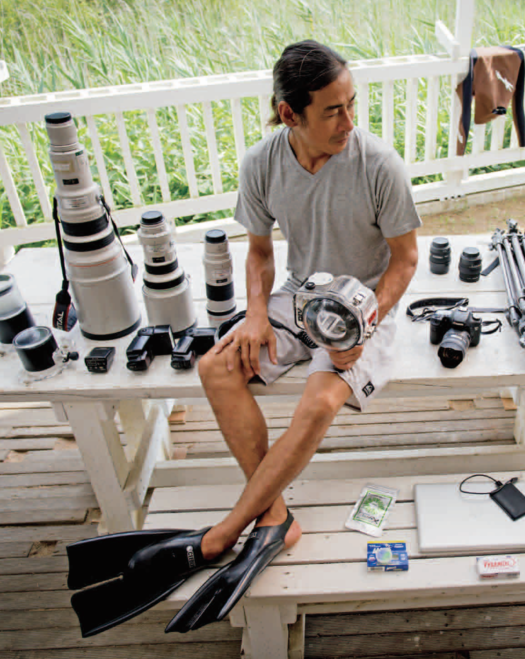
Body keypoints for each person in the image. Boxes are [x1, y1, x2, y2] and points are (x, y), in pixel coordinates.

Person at [64, 40, 420, 637]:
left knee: (321, 399)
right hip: (303, 296)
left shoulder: (377, 164)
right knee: (215, 368)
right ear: (290, 114)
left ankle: (229, 529)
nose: (348, 121)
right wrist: (256, 313)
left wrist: (366, 321)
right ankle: (275, 515)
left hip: (365, 307)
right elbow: (257, 252)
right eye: (333, 110)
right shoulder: (262, 163)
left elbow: (405, 262)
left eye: (351, 105)